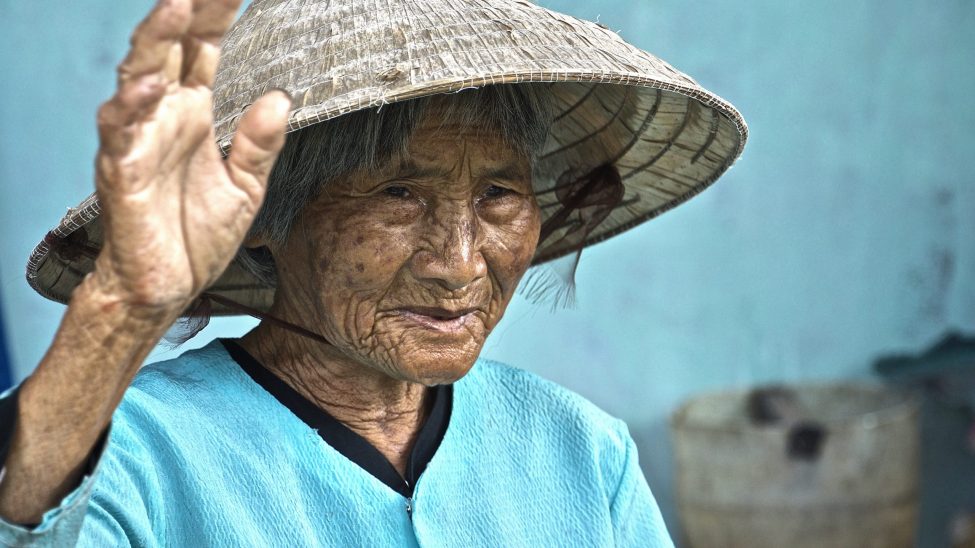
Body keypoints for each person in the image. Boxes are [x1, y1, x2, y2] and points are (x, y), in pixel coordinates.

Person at [0, 0, 746, 545]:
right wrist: (124, 308)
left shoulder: (582, 450)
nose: (457, 264)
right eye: (397, 195)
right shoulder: (131, 449)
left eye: (498, 196)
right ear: (258, 214)